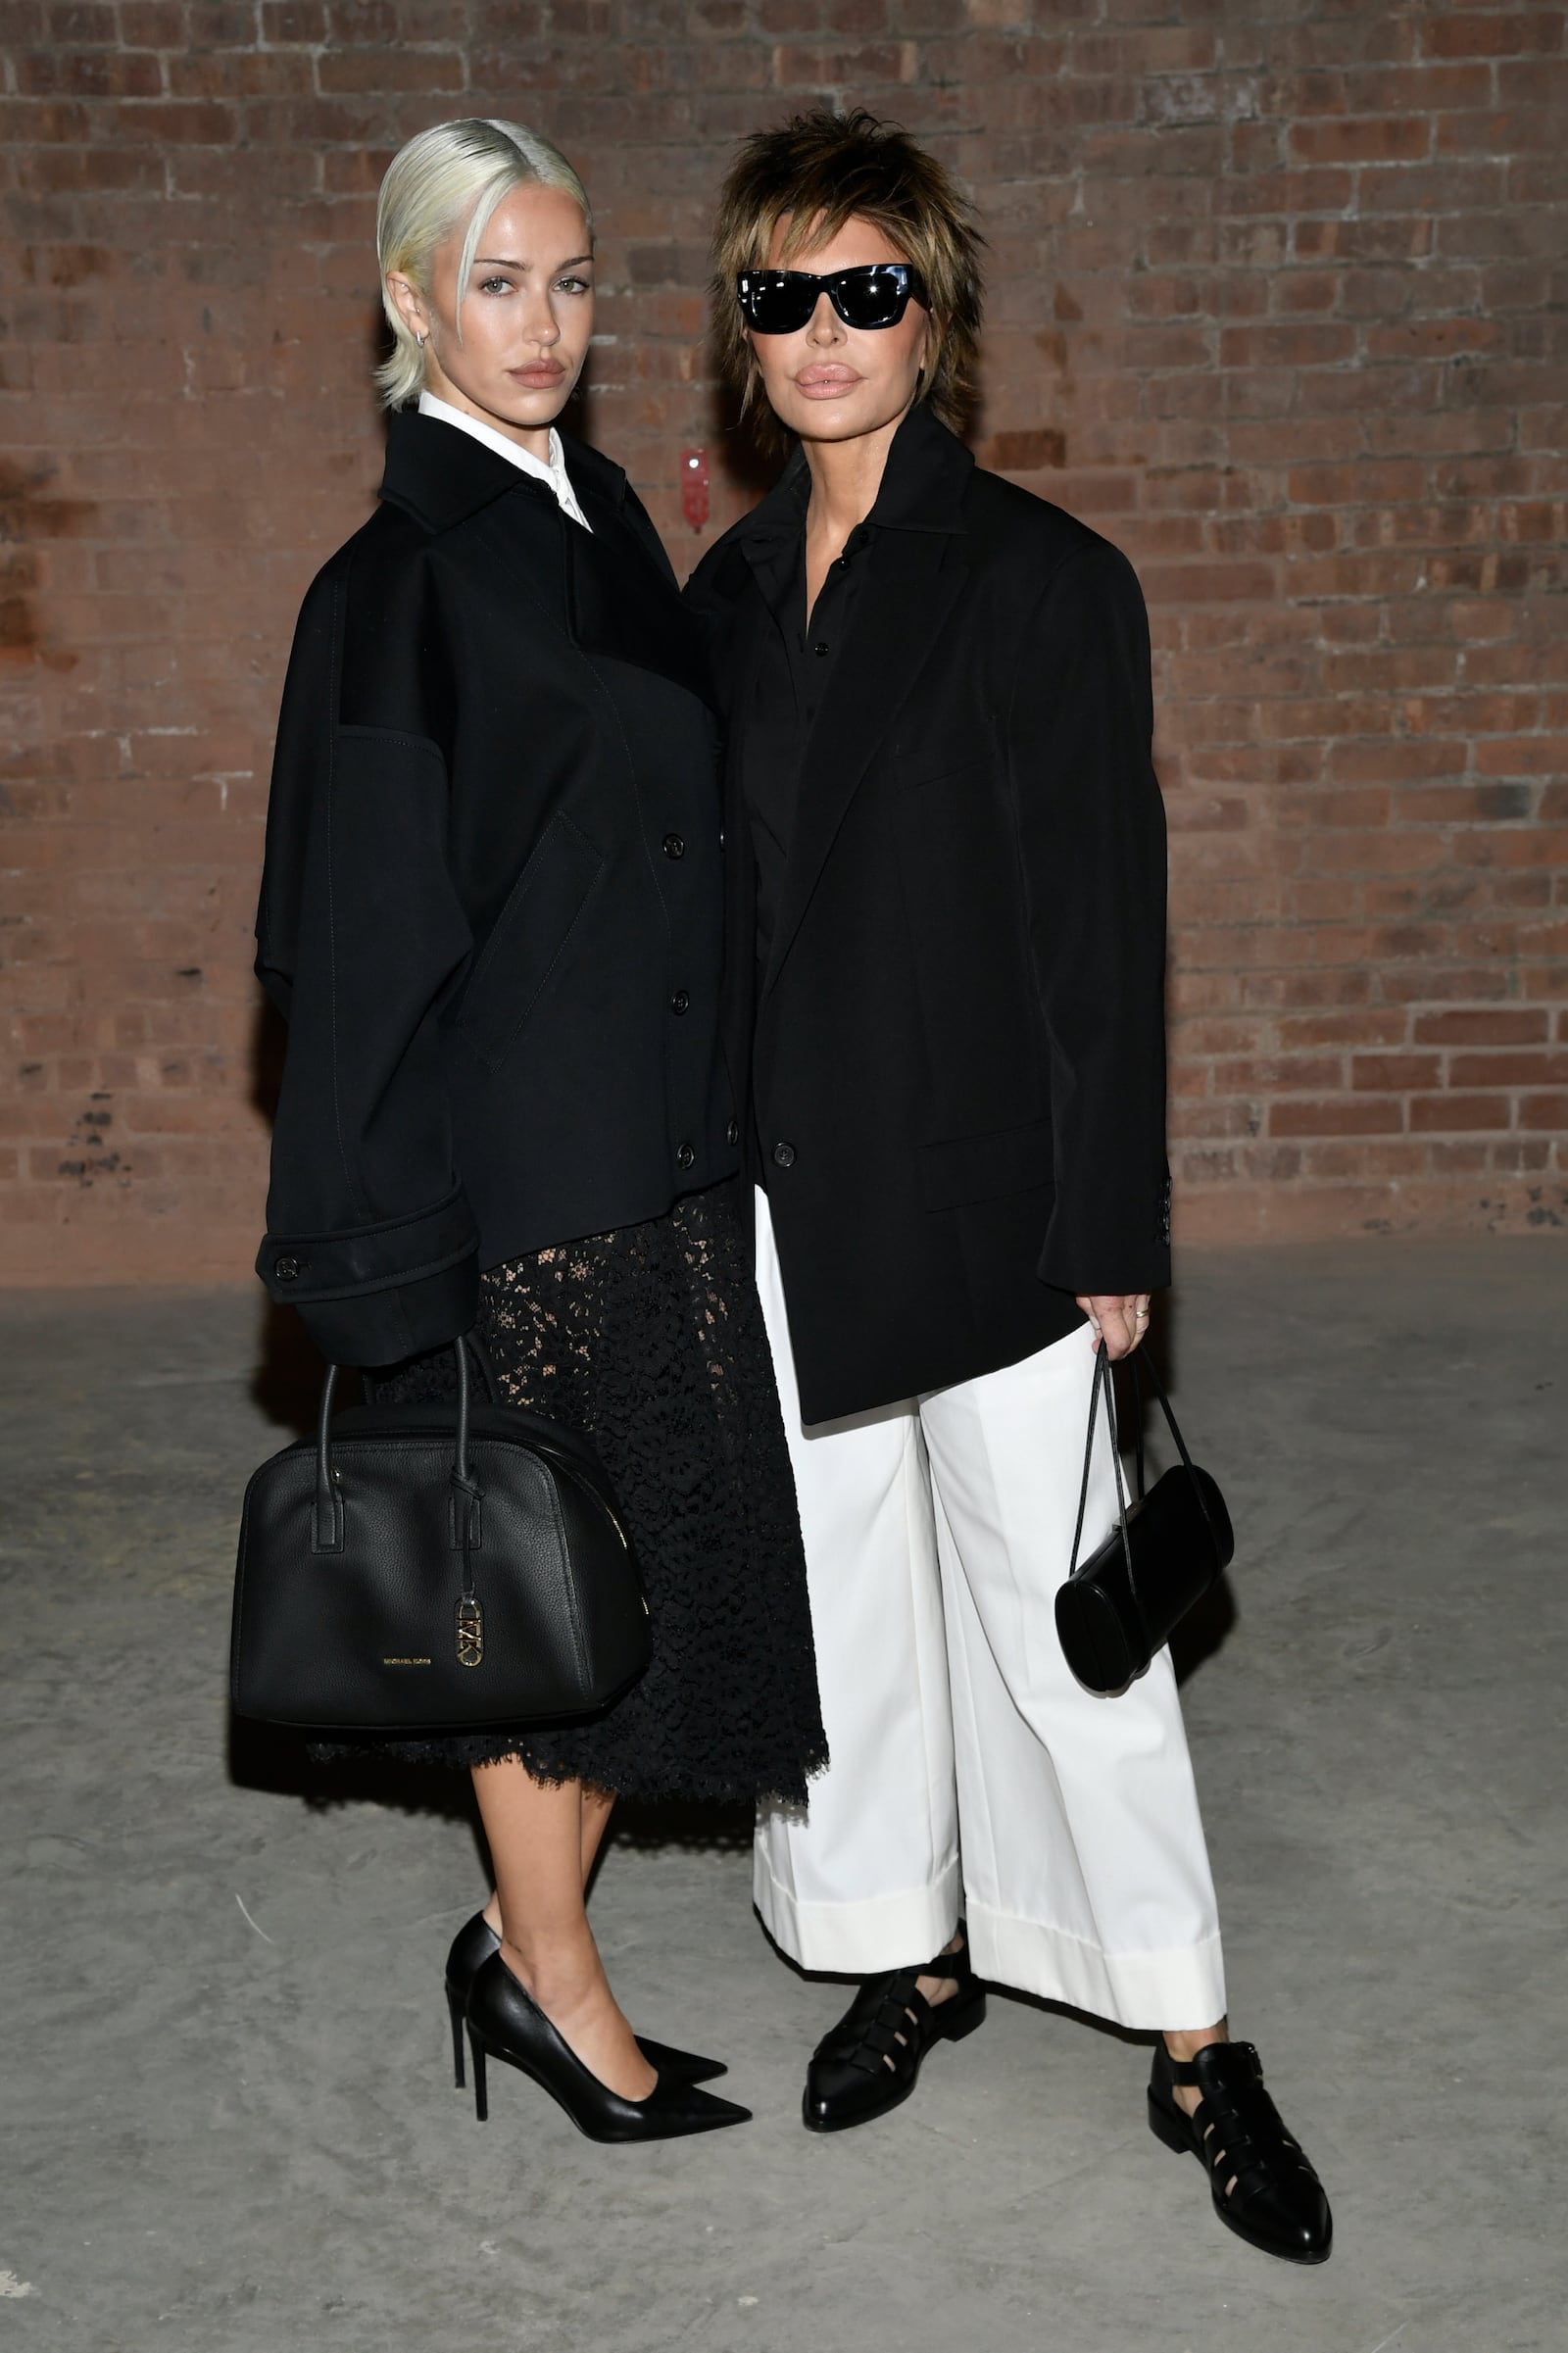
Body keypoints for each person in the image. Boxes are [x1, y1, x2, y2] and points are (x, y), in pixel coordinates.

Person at [686, 107, 1332, 2261]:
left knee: (1069, 1637)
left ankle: (1186, 2034)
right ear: (742, 325)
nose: (822, 331)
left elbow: (1099, 930)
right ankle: (910, 1947)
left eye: (866, 287)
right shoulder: (718, 598)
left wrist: (1109, 1233)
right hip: (781, 1206)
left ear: (930, 314)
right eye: (782, 292)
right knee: (846, 1626)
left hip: (979, 1199)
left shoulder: (1046, 582)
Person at [254, 117, 823, 2144]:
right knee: (527, 1619)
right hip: (513, 1191)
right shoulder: (390, 590)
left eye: (573, 282)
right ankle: (555, 1989)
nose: (546, 326)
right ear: (408, 299)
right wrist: (371, 1255)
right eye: (497, 282)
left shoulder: (593, 511)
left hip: (654, 1156)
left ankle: (518, 1949)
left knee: (625, 1591)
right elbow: (345, 948)